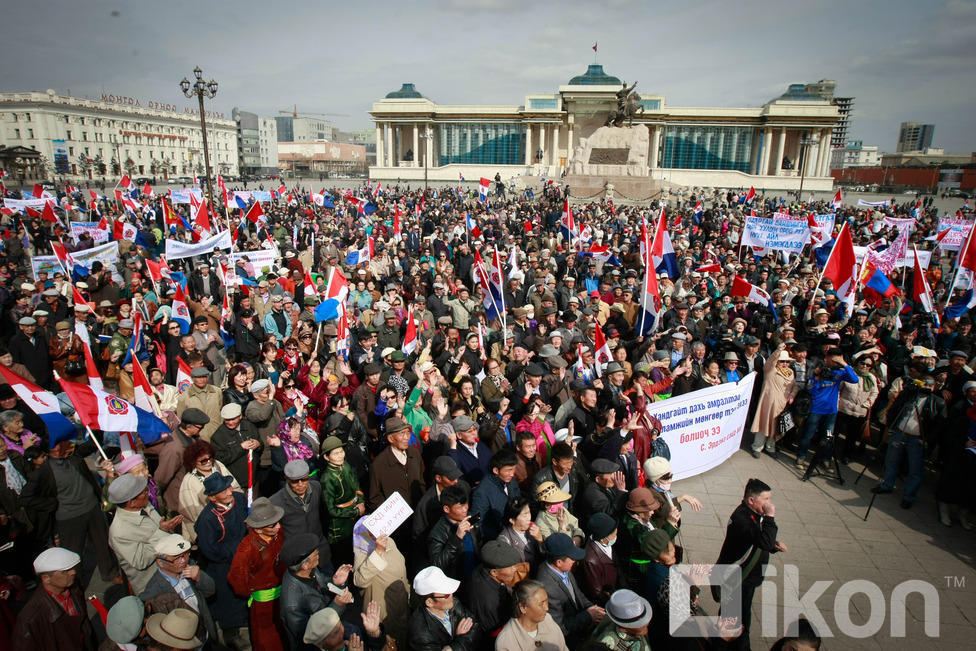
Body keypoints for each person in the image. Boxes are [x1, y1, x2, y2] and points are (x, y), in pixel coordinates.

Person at [714, 478, 787, 649]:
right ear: (751, 500)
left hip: (745, 579)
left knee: (735, 618)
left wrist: (773, 546)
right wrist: (770, 518)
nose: (769, 504)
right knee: (737, 623)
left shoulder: (753, 515)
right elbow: (763, 541)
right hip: (737, 580)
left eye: (770, 499)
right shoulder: (742, 519)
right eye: (765, 499)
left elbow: (759, 541)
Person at [195, 473, 250, 648]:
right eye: (223, 491)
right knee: (230, 604)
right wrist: (236, 551)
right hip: (224, 566)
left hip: (246, 559)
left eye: (228, 487)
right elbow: (210, 549)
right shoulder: (207, 519)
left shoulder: (240, 499)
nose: (229, 492)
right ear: (212, 497)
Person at [107, 473, 183, 594]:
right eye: (143, 492)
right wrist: (161, 532)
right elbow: (141, 560)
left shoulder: (144, 504)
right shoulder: (119, 532)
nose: (147, 492)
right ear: (132, 502)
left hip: (175, 570)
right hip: (155, 586)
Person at [228, 497, 288, 651]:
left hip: (284, 594)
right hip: (263, 604)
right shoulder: (247, 549)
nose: (278, 526)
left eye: (278, 522)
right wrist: (256, 591)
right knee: (267, 640)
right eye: (273, 525)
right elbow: (237, 579)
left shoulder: (278, 532)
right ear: (259, 529)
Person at [139, 533, 219, 647]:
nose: (183, 561)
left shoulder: (190, 566)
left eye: (186, 554)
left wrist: (199, 577)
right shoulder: (154, 591)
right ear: (160, 562)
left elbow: (210, 591)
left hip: (205, 634)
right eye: (176, 558)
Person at [279, 532, 355, 648]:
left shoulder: (309, 570)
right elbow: (309, 636)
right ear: (305, 565)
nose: (318, 553)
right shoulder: (292, 604)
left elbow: (323, 583)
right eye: (315, 554)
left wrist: (335, 582)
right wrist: (337, 605)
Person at [11, 547, 95, 650]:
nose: (73, 572)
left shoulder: (75, 587)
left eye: (72, 568)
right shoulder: (30, 618)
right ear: (46, 578)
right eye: (65, 571)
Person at [535, 532, 604, 645]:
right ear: (559, 562)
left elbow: (577, 593)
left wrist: (592, 608)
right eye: (572, 558)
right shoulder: (547, 587)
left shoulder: (564, 569)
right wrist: (588, 615)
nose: (575, 561)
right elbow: (560, 627)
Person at [352, 515, 411, 646]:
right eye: (371, 530)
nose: (376, 533)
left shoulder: (389, 541)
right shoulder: (363, 550)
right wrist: (378, 552)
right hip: (382, 614)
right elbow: (360, 581)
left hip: (401, 607)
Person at [408, 566, 479, 651]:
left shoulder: (454, 603)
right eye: (446, 595)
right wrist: (459, 640)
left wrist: (454, 646)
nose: (451, 595)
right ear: (429, 602)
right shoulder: (420, 634)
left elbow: (475, 626)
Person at [319, 436, 365, 565]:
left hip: (356, 515)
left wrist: (361, 501)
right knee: (345, 560)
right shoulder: (327, 478)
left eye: (341, 451)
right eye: (335, 453)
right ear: (326, 457)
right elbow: (331, 510)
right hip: (341, 527)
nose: (340, 456)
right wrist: (355, 512)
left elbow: (356, 484)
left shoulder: (345, 465)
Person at [465, 540, 523, 639]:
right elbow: (496, 632)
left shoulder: (484, 568)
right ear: (494, 572)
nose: (515, 569)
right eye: (510, 567)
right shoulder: (489, 600)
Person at [749, 346, 798, 458]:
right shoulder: (770, 371)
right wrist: (778, 350)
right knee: (763, 425)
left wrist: (792, 395)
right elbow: (770, 361)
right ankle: (757, 447)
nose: (785, 363)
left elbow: (795, 386)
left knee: (777, 427)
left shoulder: (790, 372)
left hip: (782, 406)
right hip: (768, 405)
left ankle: (770, 447)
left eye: (787, 361)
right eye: (782, 361)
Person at [428, 484, 481, 581]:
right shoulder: (438, 533)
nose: (465, 510)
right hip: (456, 583)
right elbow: (437, 566)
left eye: (466, 505)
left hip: (475, 578)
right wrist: (456, 538)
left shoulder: (470, 519)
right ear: (446, 509)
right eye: (460, 507)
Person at [495, 579, 568, 651]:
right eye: (541, 604)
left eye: (546, 601)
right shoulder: (506, 641)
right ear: (523, 607)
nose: (547, 608)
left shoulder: (548, 620)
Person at [470, 448, 520, 541]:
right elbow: (478, 523)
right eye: (509, 470)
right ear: (496, 470)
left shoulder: (511, 481)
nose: (512, 474)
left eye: (514, 469)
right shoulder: (482, 491)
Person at [302, 601, 387, 650]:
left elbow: (377, 647)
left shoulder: (351, 631)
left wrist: (374, 633)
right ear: (320, 644)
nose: (342, 631)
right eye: (335, 634)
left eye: (340, 625)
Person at [580, 513, 618, 606]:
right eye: (614, 534)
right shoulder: (590, 560)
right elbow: (597, 592)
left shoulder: (607, 544)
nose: (616, 536)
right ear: (603, 538)